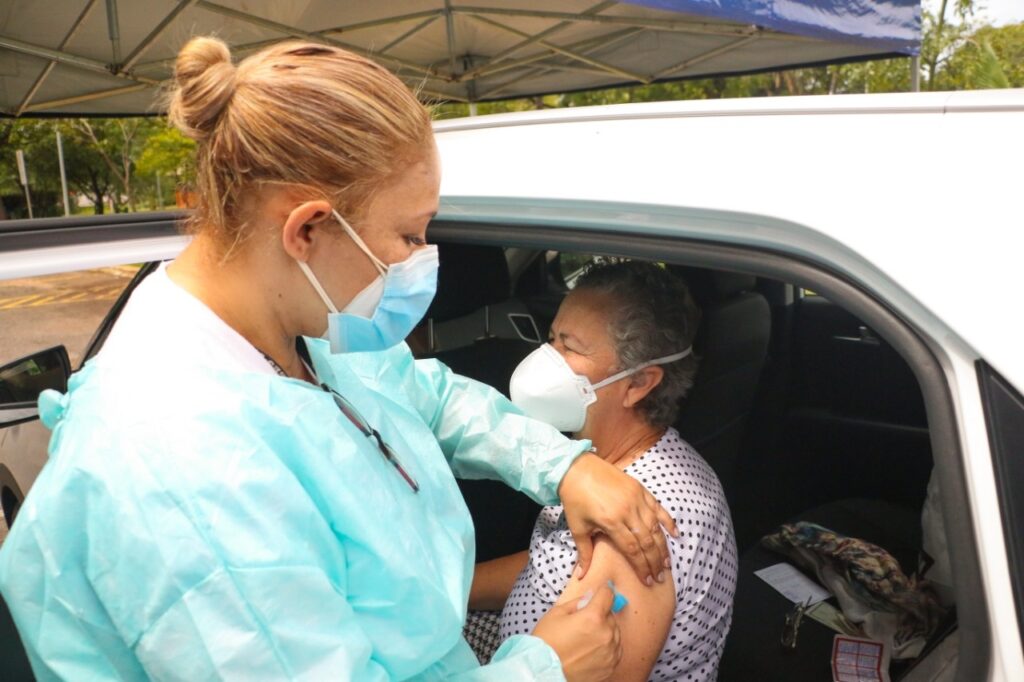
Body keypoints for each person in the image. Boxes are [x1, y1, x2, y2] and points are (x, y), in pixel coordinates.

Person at [0, 39, 681, 681]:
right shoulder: (176, 470)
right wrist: (543, 669)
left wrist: (564, 466)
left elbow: (423, 395)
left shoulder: (297, 323)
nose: (422, 260)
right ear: (308, 229)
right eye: (409, 235)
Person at [467, 261, 738, 681]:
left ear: (638, 384)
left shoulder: (636, 526)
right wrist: (452, 589)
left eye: (570, 347)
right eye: (551, 338)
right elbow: (550, 566)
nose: (545, 359)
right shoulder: (607, 472)